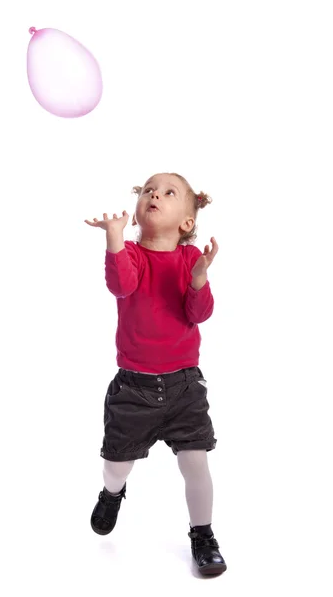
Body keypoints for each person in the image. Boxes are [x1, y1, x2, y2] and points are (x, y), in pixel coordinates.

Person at [84, 172, 226, 576]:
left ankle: (203, 534)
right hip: (135, 387)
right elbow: (121, 285)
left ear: (186, 222)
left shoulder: (188, 259)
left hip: (184, 385)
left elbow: (198, 314)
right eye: (148, 189)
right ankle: (112, 493)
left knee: (196, 463)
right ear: (137, 210)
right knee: (117, 465)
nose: (154, 195)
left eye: (168, 192)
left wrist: (199, 278)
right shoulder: (130, 253)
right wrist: (112, 238)